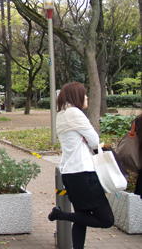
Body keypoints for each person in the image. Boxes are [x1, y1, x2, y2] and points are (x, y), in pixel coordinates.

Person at [48, 82, 114, 249]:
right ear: (75, 96)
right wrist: (87, 140)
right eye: (84, 94)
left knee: (81, 217)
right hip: (84, 174)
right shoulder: (75, 113)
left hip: (70, 174)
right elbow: (95, 141)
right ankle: (60, 214)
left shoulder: (61, 114)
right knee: (107, 220)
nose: (86, 97)